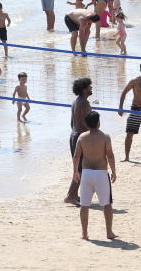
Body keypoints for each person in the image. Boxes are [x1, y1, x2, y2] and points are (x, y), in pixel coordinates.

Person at [72, 111, 118, 241]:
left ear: (86, 124)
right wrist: (114, 171)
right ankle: (109, 232)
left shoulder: (82, 137)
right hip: (101, 173)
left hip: (86, 174)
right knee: (107, 204)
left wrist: (75, 171)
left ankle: (84, 234)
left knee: (84, 205)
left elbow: (76, 156)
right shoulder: (105, 137)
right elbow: (110, 155)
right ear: (98, 122)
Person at [65, 77, 92, 206]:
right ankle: (70, 195)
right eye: (89, 86)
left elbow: (72, 123)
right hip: (81, 136)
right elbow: (88, 124)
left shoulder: (75, 102)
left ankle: (74, 194)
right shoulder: (85, 103)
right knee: (80, 169)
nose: (91, 88)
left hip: (73, 135)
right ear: (83, 89)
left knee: (79, 167)